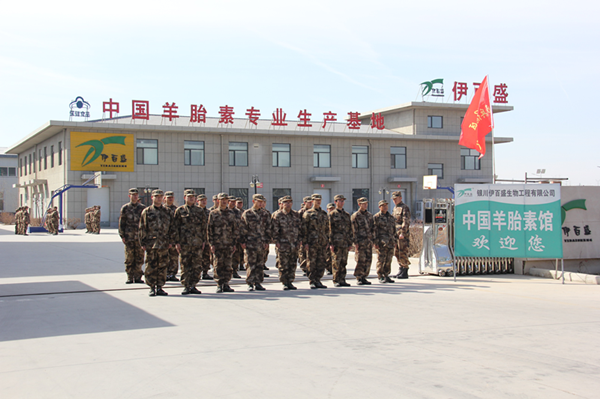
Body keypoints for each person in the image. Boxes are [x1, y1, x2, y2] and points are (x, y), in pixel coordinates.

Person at [172, 189, 207, 295]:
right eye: (189, 196)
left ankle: (194, 285)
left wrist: (204, 241)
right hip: (184, 244)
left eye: (193, 197)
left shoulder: (200, 211)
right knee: (185, 265)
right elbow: (175, 227)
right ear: (184, 198)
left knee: (196, 265)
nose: (191, 198)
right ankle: (186, 285)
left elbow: (204, 227)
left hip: (197, 243)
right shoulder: (180, 211)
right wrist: (176, 242)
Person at [140, 189, 174, 297]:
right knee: (151, 265)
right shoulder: (147, 211)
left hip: (163, 243)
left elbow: (172, 227)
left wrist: (171, 241)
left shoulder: (167, 211)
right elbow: (142, 228)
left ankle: (160, 287)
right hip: (151, 244)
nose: (159, 198)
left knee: (163, 266)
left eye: (160, 196)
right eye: (156, 196)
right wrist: (142, 242)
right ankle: (151, 286)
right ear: (152, 198)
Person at [208, 192, 238, 293]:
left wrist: (234, 243)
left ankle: (226, 283)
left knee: (228, 264)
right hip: (218, 244)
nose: (224, 201)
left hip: (228, 244)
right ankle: (219, 284)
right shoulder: (213, 213)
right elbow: (209, 229)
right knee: (218, 264)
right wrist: (211, 244)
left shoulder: (231, 214)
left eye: (226, 200)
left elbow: (234, 229)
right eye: (222, 200)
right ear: (218, 201)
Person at [240, 194, 271, 291]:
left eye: (262, 202)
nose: (261, 203)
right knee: (250, 263)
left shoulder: (265, 214)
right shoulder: (247, 213)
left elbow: (268, 229)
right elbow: (242, 228)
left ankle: (258, 282)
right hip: (250, 243)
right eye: (259, 201)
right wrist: (242, 241)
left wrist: (267, 241)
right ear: (253, 201)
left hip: (261, 243)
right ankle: (250, 283)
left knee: (259, 263)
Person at [272, 196, 300, 290]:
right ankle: (284, 282)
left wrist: (299, 241)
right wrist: (276, 241)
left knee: (292, 263)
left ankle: (290, 281)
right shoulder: (278, 215)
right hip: (283, 244)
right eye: (286, 202)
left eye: (289, 202)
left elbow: (300, 229)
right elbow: (275, 230)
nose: (288, 204)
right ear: (282, 204)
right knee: (283, 264)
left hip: (294, 244)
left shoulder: (296, 215)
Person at [300, 193, 329, 289]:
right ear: (312, 201)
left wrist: (327, 241)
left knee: (321, 262)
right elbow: (304, 229)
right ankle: (312, 280)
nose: (318, 201)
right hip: (312, 242)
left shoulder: (324, 214)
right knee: (311, 262)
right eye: (316, 200)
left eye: (319, 200)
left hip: (322, 242)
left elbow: (327, 229)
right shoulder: (307, 214)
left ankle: (318, 280)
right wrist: (305, 243)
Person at [118, 188, 146, 284]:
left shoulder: (142, 208)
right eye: (133, 195)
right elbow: (122, 223)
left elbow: (145, 223)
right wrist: (122, 236)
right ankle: (130, 276)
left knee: (139, 258)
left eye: (136, 195)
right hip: (129, 237)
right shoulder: (125, 208)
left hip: (139, 238)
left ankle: (138, 276)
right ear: (129, 196)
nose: (135, 196)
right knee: (129, 258)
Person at [328, 195, 353, 287]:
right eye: (340, 201)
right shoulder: (332, 214)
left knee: (344, 262)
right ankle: (336, 280)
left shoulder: (346, 215)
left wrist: (350, 243)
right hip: (336, 242)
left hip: (345, 242)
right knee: (336, 262)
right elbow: (330, 229)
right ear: (335, 202)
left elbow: (350, 229)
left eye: (343, 201)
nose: (341, 202)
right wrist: (331, 243)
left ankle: (342, 279)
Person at [351, 197, 374, 285]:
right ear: (359, 204)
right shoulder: (355, 216)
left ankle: (364, 276)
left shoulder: (369, 215)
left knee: (368, 259)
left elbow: (372, 228)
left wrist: (372, 240)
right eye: (363, 203)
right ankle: (359, 276)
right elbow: (354, 230)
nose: (365, 205)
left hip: (368, 241)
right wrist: (355, 242)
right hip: (360, 242)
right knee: (361, 260)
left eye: (366, 203)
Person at [373, 200, 396, 283]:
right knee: (381, 259)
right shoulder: (376, 217)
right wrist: (376, 242)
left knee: (388, 259)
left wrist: (395, 240)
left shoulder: (391, 217)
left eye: (386, 205)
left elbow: (394, 230)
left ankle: (386, 275)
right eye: (383, 205)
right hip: (381, 242)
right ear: (379, 207)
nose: (385, 207)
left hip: (390, 242)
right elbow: (374, 230)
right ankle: (380, 275)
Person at [391, 191, 411, 279]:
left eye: (396, 198)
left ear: (400, 198)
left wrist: (403, 232)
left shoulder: (404, 208)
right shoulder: (395, 208)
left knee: (403, 251)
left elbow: (405, 221)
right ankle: (401, 268)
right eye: (393, 199)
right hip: (396, 233)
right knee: (397, 252)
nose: (394, 200)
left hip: (402, 234)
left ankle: (405, 269)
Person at [163, 191, 180, 282]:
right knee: (164, 257)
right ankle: (165, 274)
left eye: (171, 197)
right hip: (164, 238)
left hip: (174, 237)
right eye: (168, 197)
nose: (170, 199)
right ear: (164, 199)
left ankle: (172, 274)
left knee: (173, 257)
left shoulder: (177, 210)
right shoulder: (162, 209)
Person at [197, 194, 213, 280]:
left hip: (207, 238)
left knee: (206, 256)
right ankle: (197, 273)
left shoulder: (208, 212)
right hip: (197, 238)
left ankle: (205, 272)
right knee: (197, 257)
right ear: (197, 201)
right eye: (201, 200)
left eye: (205, 200)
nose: (203, 201)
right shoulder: (196, 212)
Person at [297, 196, 313, 276]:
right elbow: (298, 225)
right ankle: (304, 268)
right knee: (303, 253)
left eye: (311, 202)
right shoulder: (301, 212)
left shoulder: (312, 212)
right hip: (303, 236)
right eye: (308, 202)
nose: (310, 203)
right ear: (304, 203)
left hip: (311, 236)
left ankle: (309, 267)